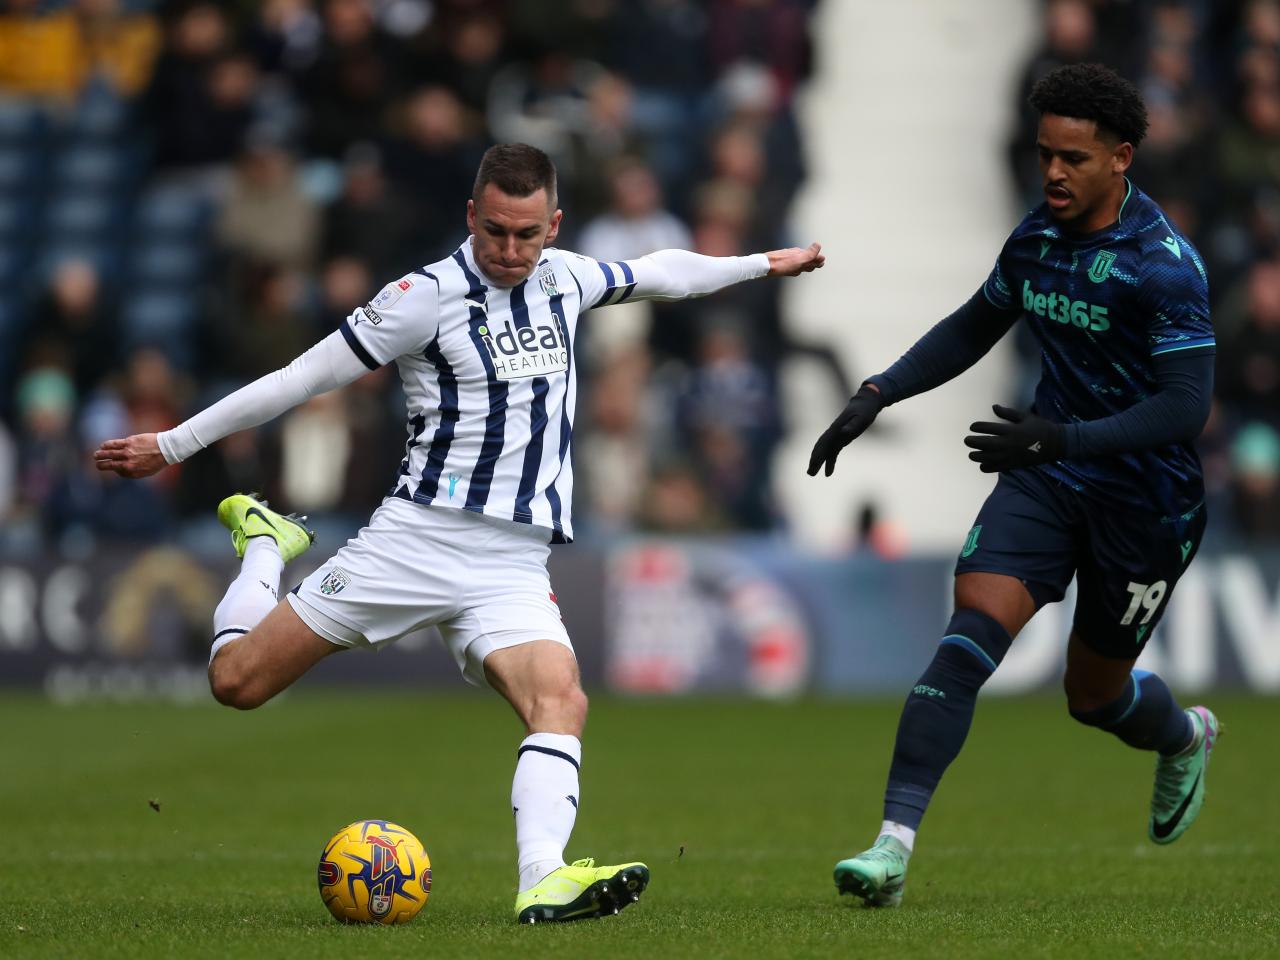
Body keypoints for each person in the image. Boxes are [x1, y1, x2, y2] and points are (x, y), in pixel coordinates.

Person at [95, 142, 824, 924]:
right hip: (416, 542)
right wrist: (170, 445)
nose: (511, 251)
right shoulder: (422, 297)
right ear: (471, 215)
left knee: (561, 700)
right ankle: (268, 542)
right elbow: (299, 378)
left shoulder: (569, 277)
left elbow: (664, 271)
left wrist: (760, 264)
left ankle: (542, 878)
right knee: (235, 683)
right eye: (496, 232)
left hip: (512, 559)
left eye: (528, 233)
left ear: (555, 225)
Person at [807, 63, 1218, 908]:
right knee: (966, 643)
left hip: (1146, 503)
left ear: (1122, 158)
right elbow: (974, 323)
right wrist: (878, 391)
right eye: (1045, 155)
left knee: (1092, 697)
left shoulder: (1164, 266)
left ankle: (1183, 735)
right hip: (1048, 476)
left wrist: (1060, 435)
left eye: (1074, 158)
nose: (1054, 173)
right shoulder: (1035, 238)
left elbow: (1185, 408)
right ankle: (890, 848)